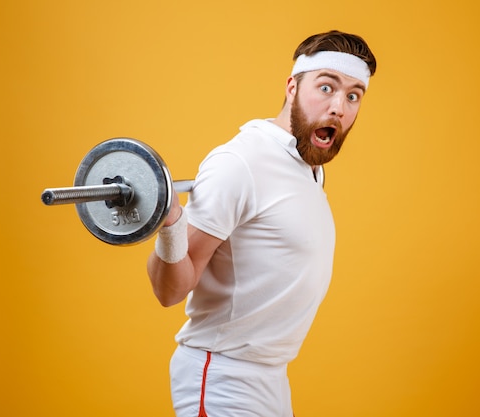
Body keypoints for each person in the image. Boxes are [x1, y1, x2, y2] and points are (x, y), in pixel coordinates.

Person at [147, 30, 377, 416]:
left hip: (271, 378)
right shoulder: (241, 163)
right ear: (292, 86)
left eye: (353, 95)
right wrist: (169, 220)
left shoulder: (306, 168)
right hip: (222, 378)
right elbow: (171, 289)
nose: (339, 107)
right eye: (326, 87)